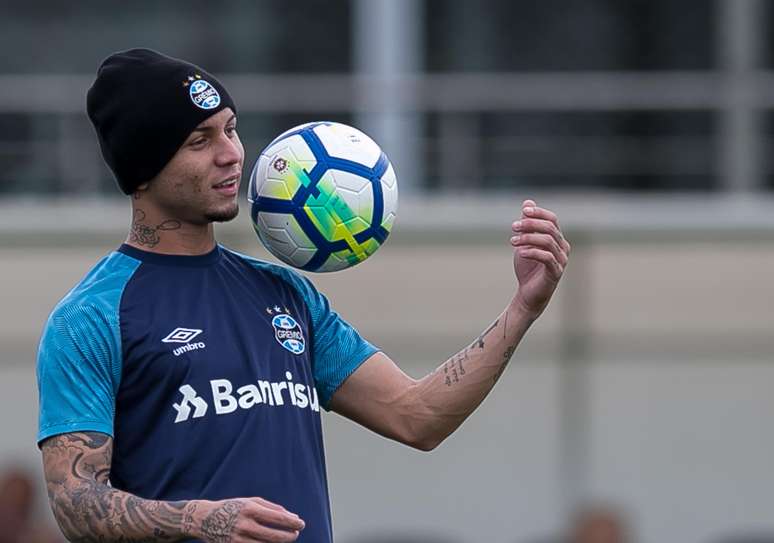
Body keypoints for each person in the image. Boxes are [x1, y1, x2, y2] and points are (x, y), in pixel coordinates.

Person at [36, 49, 570, 543]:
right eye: (199, 141)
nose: (231, 155)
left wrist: (524, 308)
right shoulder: (91, 317)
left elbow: (418, 415)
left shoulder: (284, 292)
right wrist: (199, 518)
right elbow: (76, 502)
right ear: (142, 169)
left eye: (231, 130)